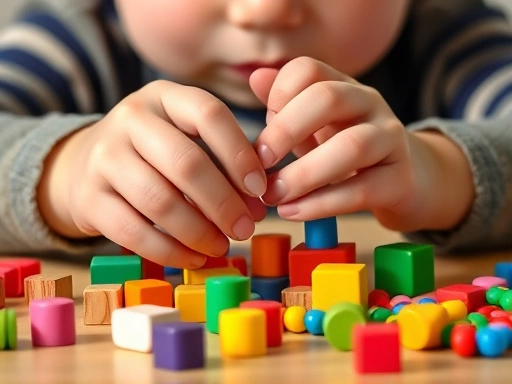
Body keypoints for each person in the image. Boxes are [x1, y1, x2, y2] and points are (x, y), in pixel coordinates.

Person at [0, 0, 511, 268]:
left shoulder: (447, 35)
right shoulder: (74, 42)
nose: (264, 9)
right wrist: (63, 174)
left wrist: (442, 172)